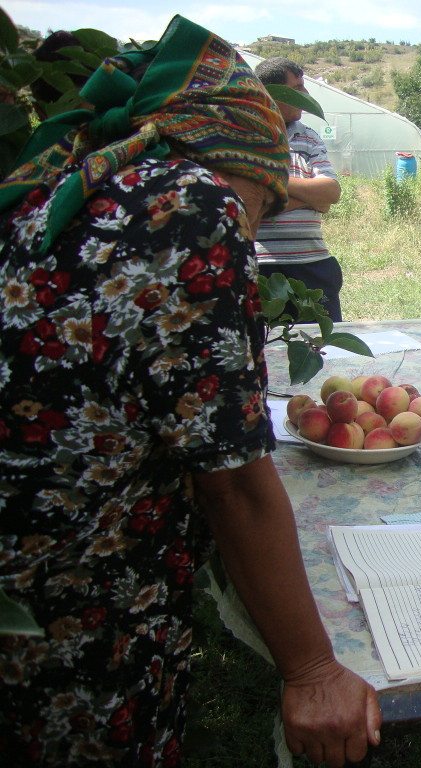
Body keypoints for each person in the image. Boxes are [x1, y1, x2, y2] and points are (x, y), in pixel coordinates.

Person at [0, 17, 379, 767]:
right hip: (80, 604)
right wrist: (310, 670)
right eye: (264, 201)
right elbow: (232, 475)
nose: (256, 222)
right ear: (233, 156)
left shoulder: (68, 188)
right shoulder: (192, 206)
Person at [254, 57, 344, 321]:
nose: (305, 94)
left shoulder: (309, 137)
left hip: (314, 266)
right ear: (270, 93)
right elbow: (252, 204)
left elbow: (330, 193)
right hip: (263, 269)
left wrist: (270, 181)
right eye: (296, 88)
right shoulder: (247, 138)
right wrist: (310, 198)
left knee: (323, 350)